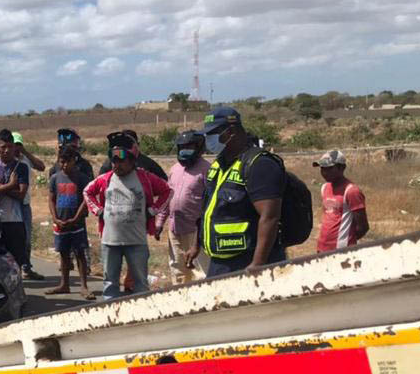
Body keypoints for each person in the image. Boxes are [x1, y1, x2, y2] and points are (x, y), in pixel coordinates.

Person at [187, 107, 286, 277]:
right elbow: (208, 209)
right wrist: (196, 244)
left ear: (231, 132)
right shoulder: (218, 165)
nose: (209, 140)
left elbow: (270, 216)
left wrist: (258, 264)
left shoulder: (259, 164)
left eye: (213, 134)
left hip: (248, 260)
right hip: (220, 262)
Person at [85, 134, 170, 299]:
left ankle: (140, 320)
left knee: (140, 284)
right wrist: (98, 211)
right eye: (114, 160)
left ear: (132, 160)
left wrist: (153, 210)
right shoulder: (105, 179)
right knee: (110, 284)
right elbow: (87, 192)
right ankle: (111, 317)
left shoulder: (144, 177)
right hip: (110, 242)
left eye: (121, 160)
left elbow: (168, 191)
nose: (117, 164)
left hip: (137, 242)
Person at [154, 130, 210, 284]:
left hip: (196, 232)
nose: (185, 150)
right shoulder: (174, 169)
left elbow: (210, 202)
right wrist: (159, 223)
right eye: (182, 147)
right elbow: (167, 197)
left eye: (189, 146)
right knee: (178, 271)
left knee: (200, 272)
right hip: (175, 229)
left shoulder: (207, 169)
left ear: (199, 148)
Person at [47, 145, 94, 299]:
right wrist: (55, 218)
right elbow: (51, 199)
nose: (65, 165)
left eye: (68, 162)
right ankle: (64, 284)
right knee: (63, 253)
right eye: (62, 162)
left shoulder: (82, 178)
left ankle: (84, 286)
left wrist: (76, 218)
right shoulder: (55, 178)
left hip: (77, 223)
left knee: (79, 253)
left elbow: (86, 200)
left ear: (74, 160)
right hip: (60, 222)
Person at [314, 150, 368, 253]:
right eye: (322, 169)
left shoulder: (352, 191)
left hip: (342, 250)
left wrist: (347, 241)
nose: (324, 172)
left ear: (341, 168)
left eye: (329, 169)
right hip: (322, 247)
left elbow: (363, 227)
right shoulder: (324, 188)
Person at [0, 130, 30, 266]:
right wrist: (11, 185)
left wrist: (0, 186)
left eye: (10, 147)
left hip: (15, 221)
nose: (7, 151)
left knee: (16, 261)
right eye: (3, 147)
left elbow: (21, 195)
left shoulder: (21, 167)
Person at [11, 132, 46, 281]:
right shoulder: (4, 160)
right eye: (15, 145)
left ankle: (26, 267)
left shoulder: (25, 159)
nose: (17, 148)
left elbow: (41, 167)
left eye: (19, 145)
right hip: (10, 204)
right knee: (12, 238)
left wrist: (25, 152)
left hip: (24, 204)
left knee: (26, 238)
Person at [98, 130, 168, 181]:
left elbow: (164, 181)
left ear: (137, 145)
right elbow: (99, 183)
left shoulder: (147, 163)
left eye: (129, 145)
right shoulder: (109, 163)